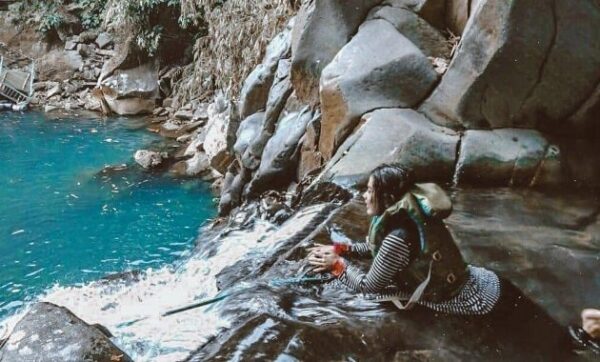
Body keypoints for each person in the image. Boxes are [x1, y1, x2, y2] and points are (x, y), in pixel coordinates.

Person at [307, 164, 500, 314]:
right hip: (479, 281)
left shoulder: (398, 238)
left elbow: (368, 288)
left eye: (369, 190)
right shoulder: (410, 213)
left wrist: (337, 264)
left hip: (467, 300)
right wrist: (341, 249)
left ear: (388, 197)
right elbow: (376, 248)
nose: (364, 196)